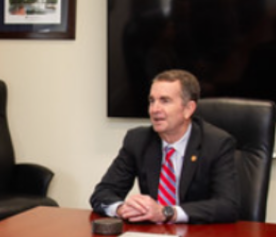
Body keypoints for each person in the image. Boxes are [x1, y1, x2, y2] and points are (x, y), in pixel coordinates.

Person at [90, 69, 239, 224]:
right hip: (152, 233)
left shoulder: (216, 143)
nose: (154, 109)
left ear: (188, 109)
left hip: (199, 233)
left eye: (165, 101)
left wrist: (167, 212)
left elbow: (227, 206)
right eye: (152, 101)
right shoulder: (138, 140)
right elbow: (102, 193)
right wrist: (121, 208)